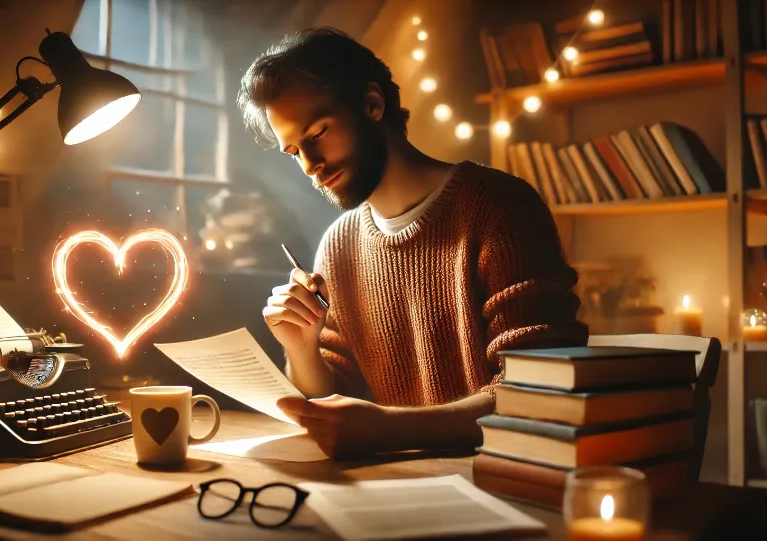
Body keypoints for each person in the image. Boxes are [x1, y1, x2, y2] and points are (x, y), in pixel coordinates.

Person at [237, 28, 588, 459]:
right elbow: (332, 400)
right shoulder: (338, 246)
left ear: (372, 104)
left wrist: (389, 429)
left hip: (506, 482)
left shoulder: (501, 207)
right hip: (391, 489)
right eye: (294, 151)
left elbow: (537, 389)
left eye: (318, 133)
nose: (310, 166)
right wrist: (302, 346)